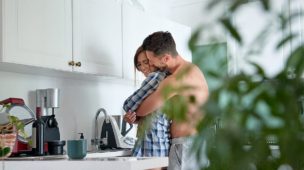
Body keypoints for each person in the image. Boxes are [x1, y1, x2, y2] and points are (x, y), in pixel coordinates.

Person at [134, 31, 209, 170]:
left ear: (166, 58)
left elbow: (142, 109)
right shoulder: (193, 69)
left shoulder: (175, 81)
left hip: (184, 147)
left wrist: (133, 113)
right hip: (196, 144)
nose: (150, 64)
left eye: (151, 60)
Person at [122, 46, 170, 160]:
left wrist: (133, 111)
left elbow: (128, 105)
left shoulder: (156, 77)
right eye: (139, 64)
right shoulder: (165, 78)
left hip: (152, 145)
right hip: (159, 143)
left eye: (146, 62)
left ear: (154, 60)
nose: (142, 67)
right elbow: (153, 115)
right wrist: (135, 118)